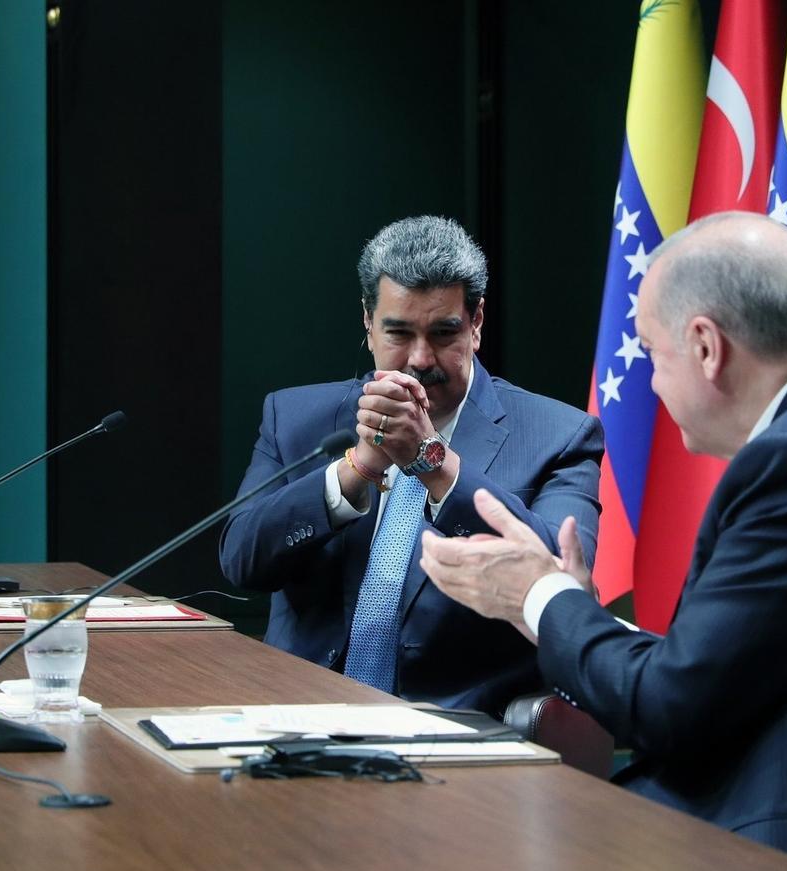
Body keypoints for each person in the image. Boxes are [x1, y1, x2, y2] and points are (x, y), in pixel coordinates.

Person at [420, 211, 787, 867]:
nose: (652, 383)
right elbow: (727, 670)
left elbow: (669, 710)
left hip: (779, 860)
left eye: (650, 353)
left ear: (705, 346)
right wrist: (567, 608)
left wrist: (538, 595)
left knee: (447, 847)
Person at [220, 215, 603, 718]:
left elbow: (559, 582)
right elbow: (241, 560)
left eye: (444, 333)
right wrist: (356, 467)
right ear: (367, 322)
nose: (420, 359)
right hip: (298, 719)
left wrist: (432, 461)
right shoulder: (293, 418)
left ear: (477, 322)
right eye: (398, 332)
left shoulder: (559, 435)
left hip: (458, 734)